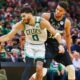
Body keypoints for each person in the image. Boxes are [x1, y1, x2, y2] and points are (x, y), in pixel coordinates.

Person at [0, 3, 64, 80]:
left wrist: (60, 44)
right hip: (29, 45)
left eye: (24, 16)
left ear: (30, 14)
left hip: (41, 46)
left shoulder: (41, 22)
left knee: (39, 69)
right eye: (21, 17)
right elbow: (8, 36)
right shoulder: (21, 24)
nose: (22, 18)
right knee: (28, 66)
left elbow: (56, 34)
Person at [42, 1, 75, 80]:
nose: (57, 11)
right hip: (47, 46)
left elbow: (67, 36)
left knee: (71, 69)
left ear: (64, 12)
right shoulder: (46, 16)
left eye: (60, 10)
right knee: (43, 71)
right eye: (57, 9)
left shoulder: (67, 22)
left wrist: (69, 51)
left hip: (59, 46)